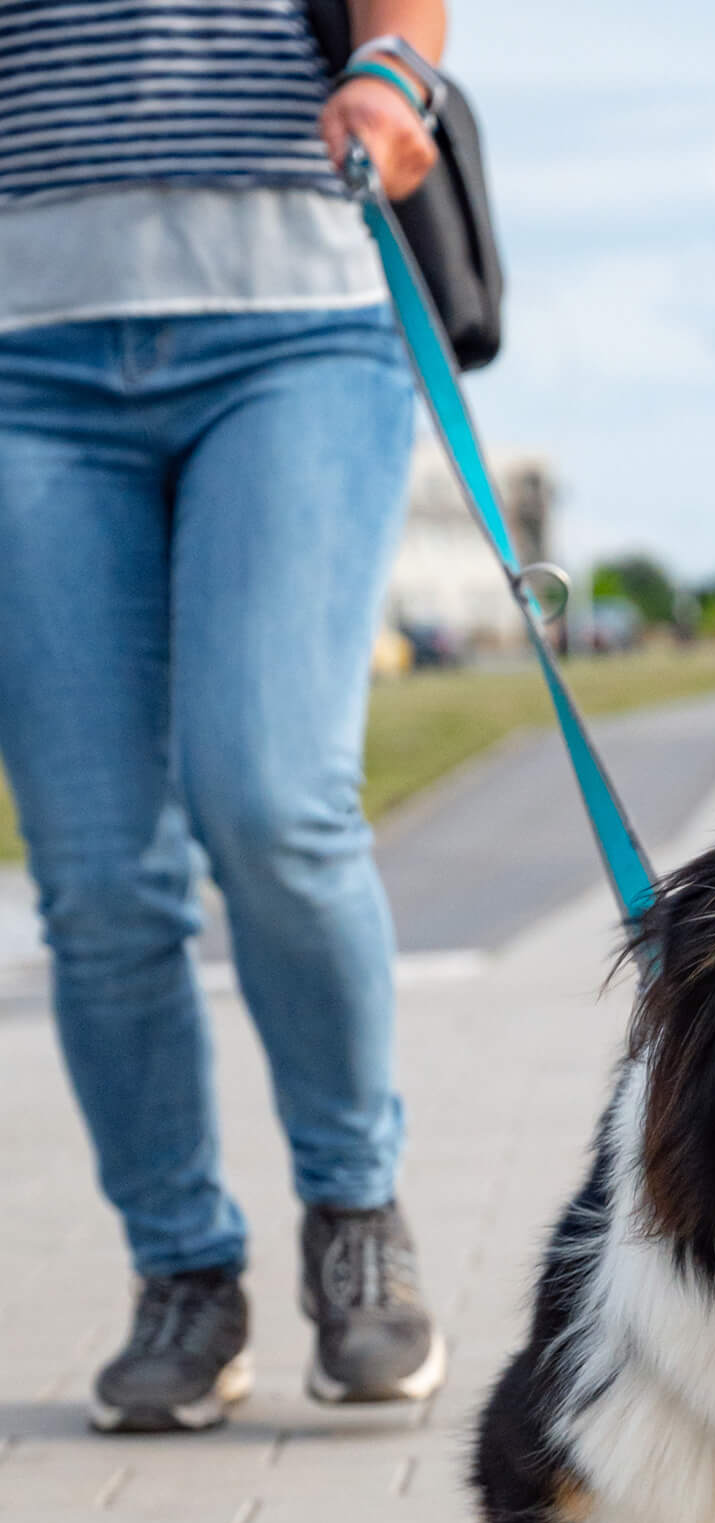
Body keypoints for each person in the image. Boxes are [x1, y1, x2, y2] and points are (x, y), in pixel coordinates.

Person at [0, 0, 450, 1431]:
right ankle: (183, 1273)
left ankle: (354, 1213)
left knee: (272, 794)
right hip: (22, 354)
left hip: (294, 326)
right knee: (94, 867)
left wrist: (391, 70)